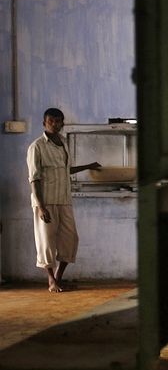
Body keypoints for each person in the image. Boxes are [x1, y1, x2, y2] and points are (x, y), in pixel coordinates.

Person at [26, 108, 101, 292]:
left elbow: (66, 170)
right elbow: (34, 178)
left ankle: (58, 277)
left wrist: (89, 166)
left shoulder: (64, 143)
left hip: (64, 199)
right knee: (46, 241)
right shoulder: (36, 146)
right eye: (51, 121)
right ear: (44, 123)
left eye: (58, 121)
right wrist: (42, 207)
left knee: (71, 239)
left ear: (63, 123)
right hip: (46, 201)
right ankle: (51, 280)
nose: (55, 124)